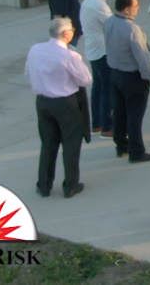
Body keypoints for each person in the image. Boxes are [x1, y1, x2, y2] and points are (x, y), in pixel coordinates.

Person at [25, 18, 93, 198]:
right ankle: (70, 185)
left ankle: (44, 185)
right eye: (72, 29)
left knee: (48, 143)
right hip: (66, 104)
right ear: (65, 34)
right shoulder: (69, 56)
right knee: (70, 144)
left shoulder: (35, 50)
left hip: (43, 102)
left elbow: (27, 73)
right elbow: (85, 80)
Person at [104, 0, 150, 163]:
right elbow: (142, 56)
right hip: (132, 77)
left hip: (115, 74)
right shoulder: (132, 29)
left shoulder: (109, 22)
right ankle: (137, 151)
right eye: (136, 6)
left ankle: (121, 146)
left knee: (119, 114)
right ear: (127, 10)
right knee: (135, 116)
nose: (138, 8)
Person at [79, 0, 113, 137]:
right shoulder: (99, 5)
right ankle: (107, 126)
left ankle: (97, 124)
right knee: (107, 89)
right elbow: (112, 24)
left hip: (93, 51)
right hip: (102, 51)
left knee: (98, 88)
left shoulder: (87, 2)